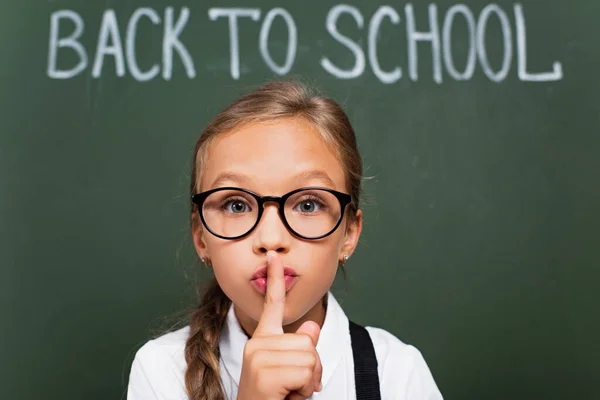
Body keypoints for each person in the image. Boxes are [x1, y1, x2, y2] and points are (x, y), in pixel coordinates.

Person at [127, 80, 443, 400]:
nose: (272, 239)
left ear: (348, 232)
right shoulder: (161, 372)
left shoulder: (396, 373)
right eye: (237, 205)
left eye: (308, 205)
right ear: (200, 237)